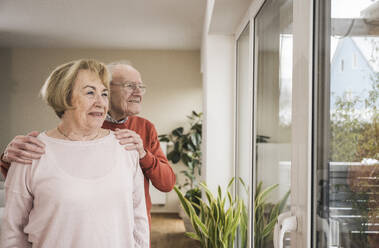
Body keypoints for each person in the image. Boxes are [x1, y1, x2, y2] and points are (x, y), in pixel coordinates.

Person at [0, 61, 176, 228]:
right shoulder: (78, 127)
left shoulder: (144, 127)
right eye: (130, 86)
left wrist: (143, 155)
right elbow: (32, 186)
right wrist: (9, 159)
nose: (138, 92)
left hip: (131, 229)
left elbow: (167, 184)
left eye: (141, 86)